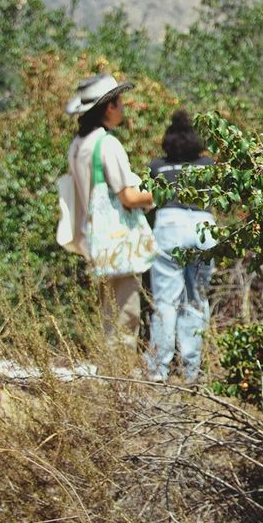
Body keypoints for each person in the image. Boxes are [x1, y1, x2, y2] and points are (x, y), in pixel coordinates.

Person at [65, 73, 155, 347]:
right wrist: (156, 196)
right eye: (119, 101)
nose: (123, 107)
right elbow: (127, 195)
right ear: (109, 107)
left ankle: (109, 375)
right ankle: (120, 379)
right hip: (118, 245)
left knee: (108, 315)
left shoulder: (77, 145)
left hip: (94, 242)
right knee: (125, 319)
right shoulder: (107, 144)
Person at [144, 110, 217, 383]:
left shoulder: (158, 167)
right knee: (196, 299)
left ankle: (158, 370)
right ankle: (192, 371)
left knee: (165, 301)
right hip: (203, 228)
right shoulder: (208, 164)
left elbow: (149, 199)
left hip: (169, 226)